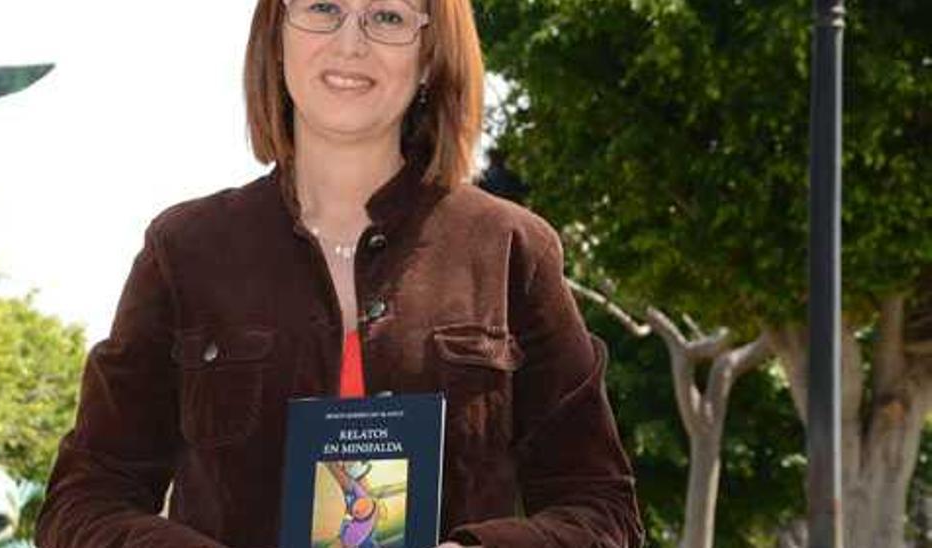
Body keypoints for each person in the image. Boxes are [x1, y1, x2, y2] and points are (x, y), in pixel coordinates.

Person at [35, 0, 644, 546]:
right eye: (323, 8)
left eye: (388, 17)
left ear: (432, 53)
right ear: (276, 36)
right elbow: (81, 501)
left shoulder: (513, 250)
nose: (351, 43)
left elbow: (602, 509)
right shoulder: (184, 250)